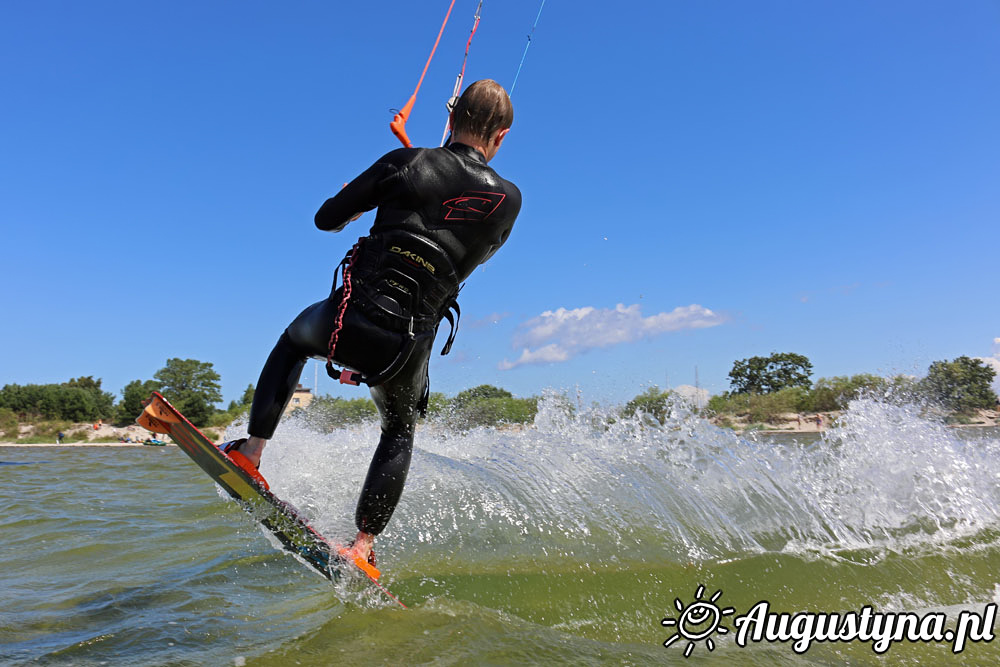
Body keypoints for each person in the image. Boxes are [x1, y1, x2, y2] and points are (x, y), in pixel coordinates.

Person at [222, 80, 521, 566]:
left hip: (345, 321)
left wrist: (367, 194)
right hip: (406, 347)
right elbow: (471, 257)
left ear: (451, 118)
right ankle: (363, 548)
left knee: (293, 342)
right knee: (399, 430)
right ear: (502, 137)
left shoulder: (404, 164)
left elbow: (327, 219)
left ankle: (251, 454)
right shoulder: (509, 200)